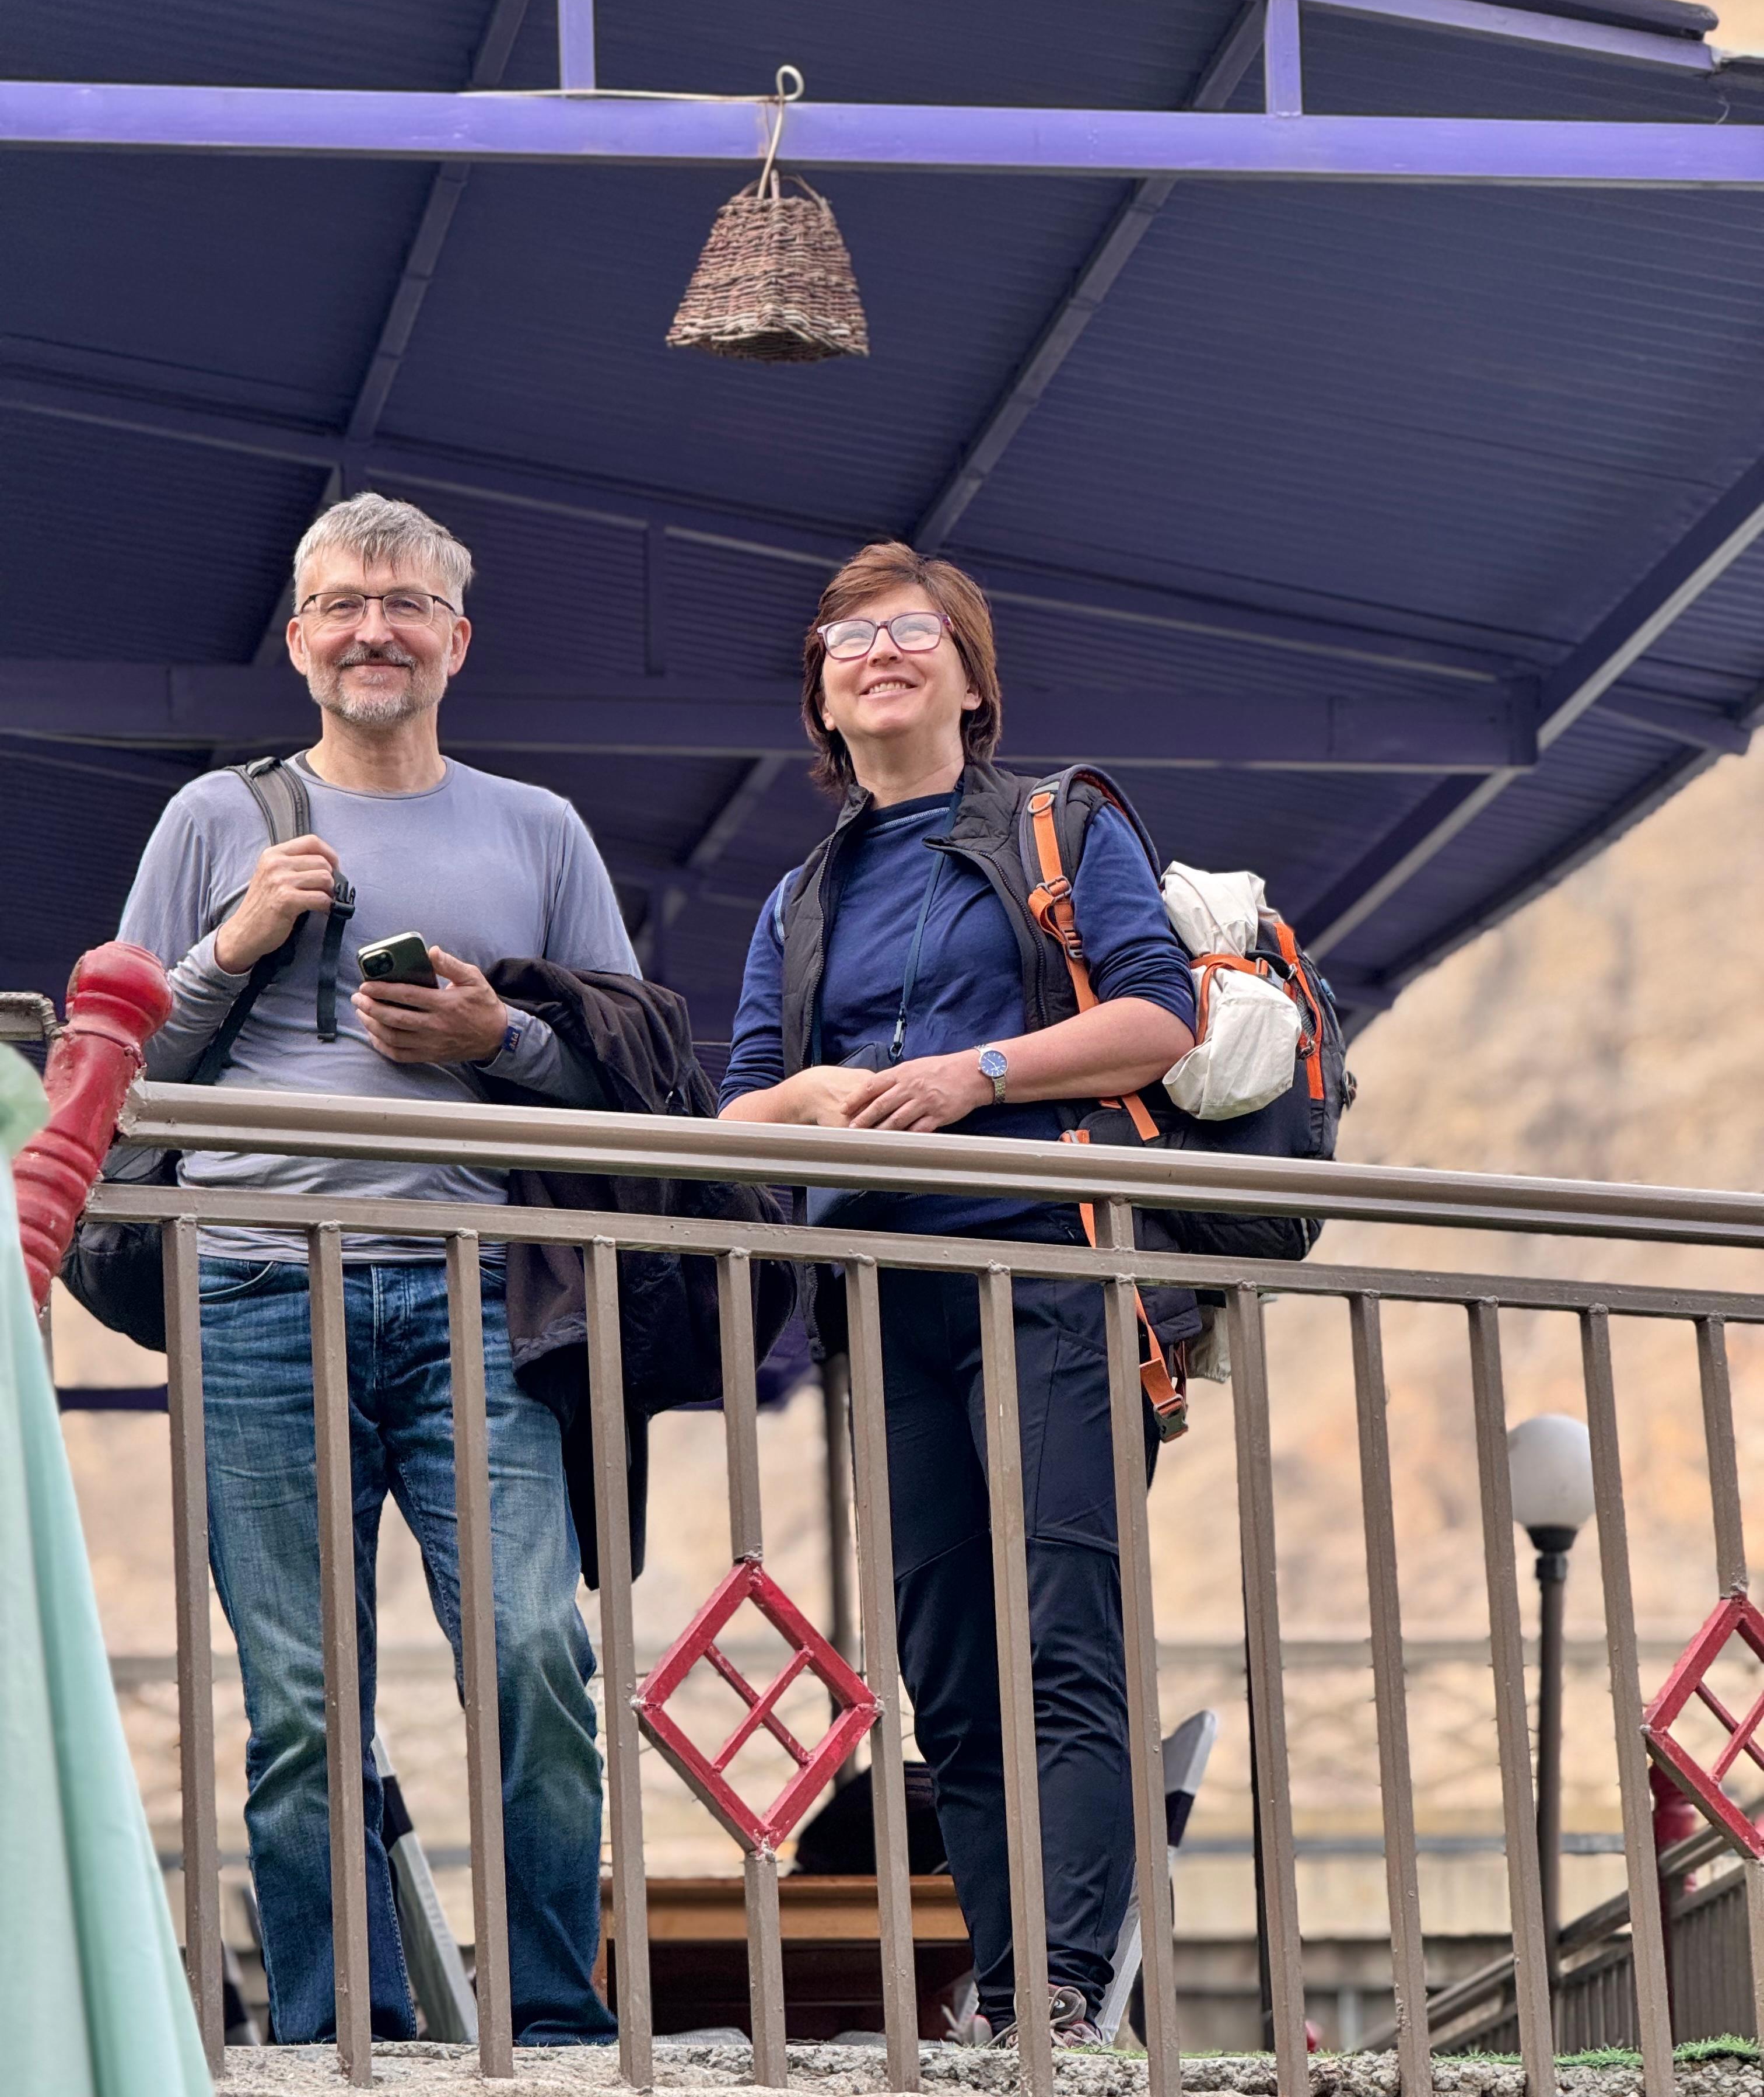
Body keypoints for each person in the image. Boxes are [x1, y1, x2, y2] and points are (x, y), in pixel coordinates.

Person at [118, 494, 629, 2047]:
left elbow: (630, 1067)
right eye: (341, 604)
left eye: (404, 604)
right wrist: (232, 941)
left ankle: (550, 2020)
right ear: (297, 640)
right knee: (300, 1699)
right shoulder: (220, 817)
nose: (372, 629)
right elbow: (116, 1072)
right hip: (258, 1285)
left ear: (455, 640)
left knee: (539, 1651)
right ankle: (346, 2029)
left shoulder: (537, 827)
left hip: (480, 1289)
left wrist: (502, 1041)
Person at [719, 540, 1197, 2048]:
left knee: (1063, 1623)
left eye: (913, 630)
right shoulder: (802, 896)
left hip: (1042, 1263)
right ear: (823, 695)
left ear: (972, 682)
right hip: (886, 1295)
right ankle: (1007, 1986)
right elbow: (730, 1117)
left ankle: (1064, 1975)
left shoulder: (1061, 822)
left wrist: (972, 1073)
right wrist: (815, 1090)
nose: (878, 650)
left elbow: (1157, 1016)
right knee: (947, 1661)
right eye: (846, 636)